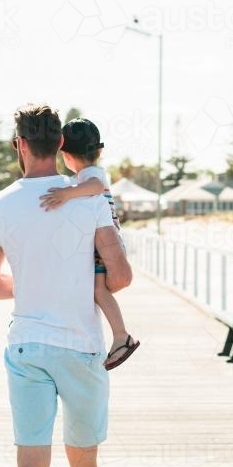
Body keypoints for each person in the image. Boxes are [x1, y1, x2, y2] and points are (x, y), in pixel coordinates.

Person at [0, 103, 133, 467]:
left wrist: (34, 282)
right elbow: (120, 278)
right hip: (81, 345)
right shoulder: (91, 196)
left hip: (27, 345)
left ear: (20, 145)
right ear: (60, 143)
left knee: (30, 464)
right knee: (83, 460)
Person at [39, 118, 140, 370]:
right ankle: (119, 335)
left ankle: (121, 336)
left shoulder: (91, 175)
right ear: (99, 150)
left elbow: (95, 187)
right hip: (104, 243)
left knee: (98, 291)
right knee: (97, 290)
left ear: (65, 154)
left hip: (106, 244)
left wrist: (65, 194)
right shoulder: (84, 176)